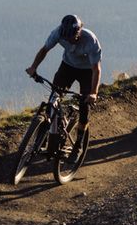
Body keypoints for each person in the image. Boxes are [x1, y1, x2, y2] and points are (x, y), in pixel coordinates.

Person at [26, 13, 102, 141]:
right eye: (65, 37)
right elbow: (44, 49)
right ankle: (47, 132)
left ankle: (79, 143)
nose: (68, 40)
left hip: (87, 71)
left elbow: (96, 69)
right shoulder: (58, 33)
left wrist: (93, 93)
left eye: (71, 37)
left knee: (84, 107)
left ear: (79, 31)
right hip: (68, 66)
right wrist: (33, 67)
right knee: (54, 98)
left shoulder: (91, 41)